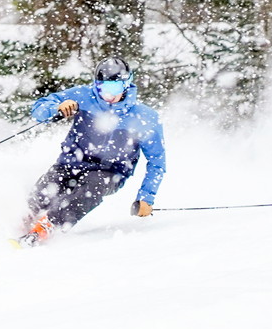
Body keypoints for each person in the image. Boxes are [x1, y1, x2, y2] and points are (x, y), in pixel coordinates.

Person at [15, 55, 166, 246]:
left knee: (92, 187)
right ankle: (17, 217)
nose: (108, 95)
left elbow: (157, 163)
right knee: (46, 190)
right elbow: (38, 109)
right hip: (71, 163)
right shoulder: (84, 96)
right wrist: (56, 107)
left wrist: (146, 197)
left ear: (127, 85)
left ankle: (50, 223)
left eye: (115, 88)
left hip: (111, 171)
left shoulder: (145, 118)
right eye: (102, 87)